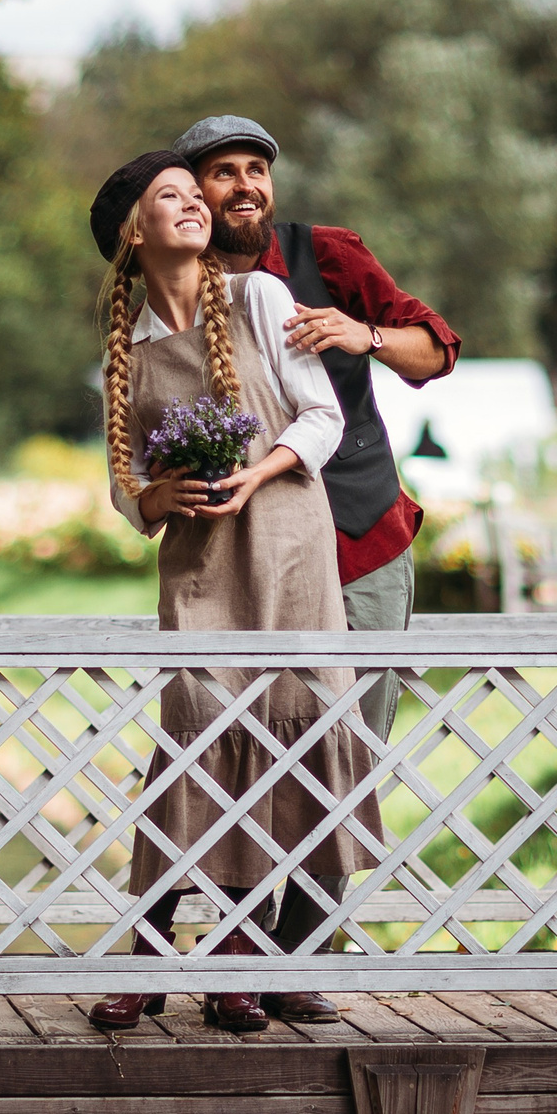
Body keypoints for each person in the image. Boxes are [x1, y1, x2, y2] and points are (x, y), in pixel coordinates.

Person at [80, 150, 380, 1035]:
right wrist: (154, 499)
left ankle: (238, 959)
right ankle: (149, 951)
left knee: (286, 731)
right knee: (199, 740)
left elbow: (324, 416)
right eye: (171, 197)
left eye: (193, 195)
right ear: (137, 232)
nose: (196, 205)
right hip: (202, 565)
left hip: (287, 541)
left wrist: (259, 474)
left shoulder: (257, 298)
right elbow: (123, 482)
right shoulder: (128, 353)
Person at [172, 114, 460, 1019]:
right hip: (245, 558)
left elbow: (436, 348)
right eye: (223, 172)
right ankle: (234, 962)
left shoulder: (325, 255)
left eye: (257, 168)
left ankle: (297, 962)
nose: (245, 185)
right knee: (243, 752)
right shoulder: (172, 287)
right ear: (192, 193)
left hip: (361, 539)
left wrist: (360, 335)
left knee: (345, 751)